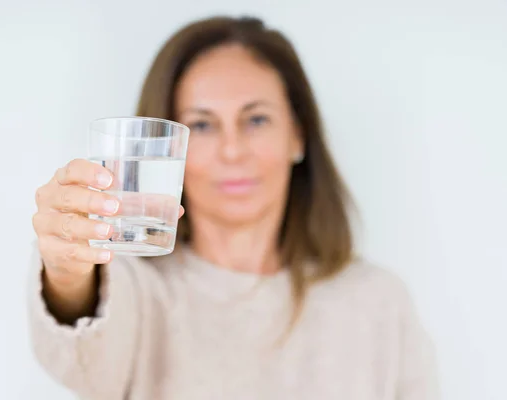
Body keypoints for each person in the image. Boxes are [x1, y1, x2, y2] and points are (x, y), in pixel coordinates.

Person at [28, 15, 439, 400]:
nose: (232, 149)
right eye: (203, 125)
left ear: (298, 136)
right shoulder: (133, 286)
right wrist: (66, 273)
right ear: (169, 150)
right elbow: (81, 360)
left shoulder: (377, 302)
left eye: (256, 119)